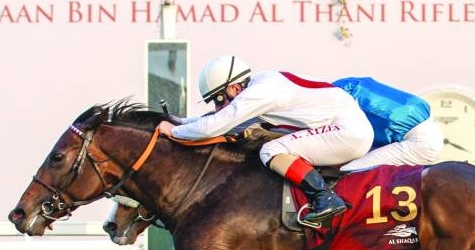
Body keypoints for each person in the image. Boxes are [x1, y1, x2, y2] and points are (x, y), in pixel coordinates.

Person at [156, 55, 374, 225]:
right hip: (346, 129)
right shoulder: (261, 84)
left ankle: (325, 197)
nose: (217, 106)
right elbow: (224, 120)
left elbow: (216, 124)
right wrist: (181, 121)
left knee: (270, 150)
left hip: (346, 133)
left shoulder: (258, 93)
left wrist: (174, 132)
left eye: (218, 98)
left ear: (234, 88)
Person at [332, 77, 443, 172]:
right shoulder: (345, 86)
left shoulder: (339, 96)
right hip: (422, 131)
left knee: (347, 171)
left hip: (419, 142)